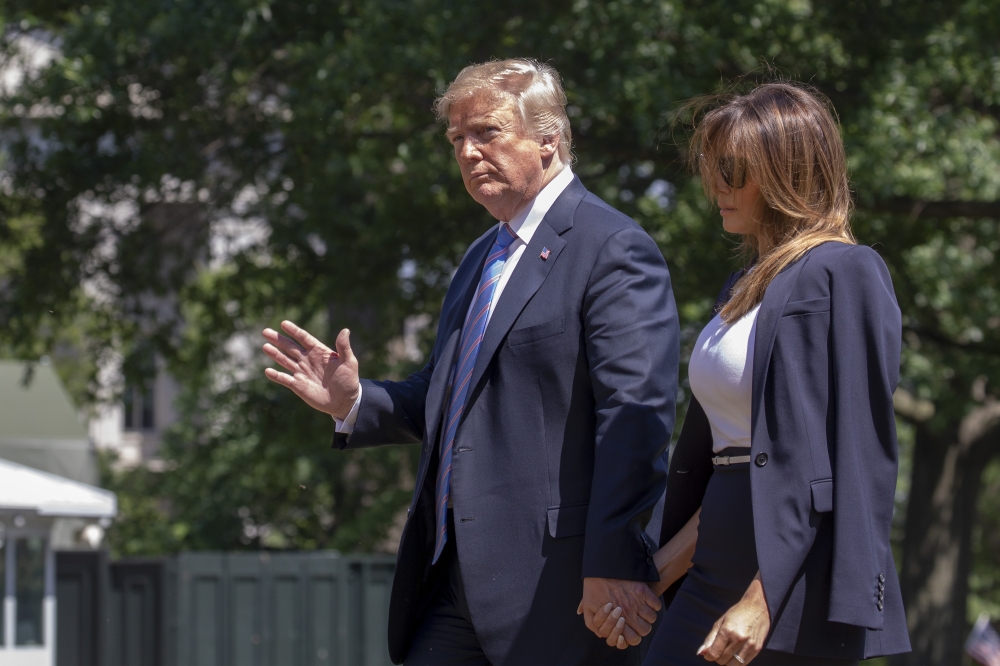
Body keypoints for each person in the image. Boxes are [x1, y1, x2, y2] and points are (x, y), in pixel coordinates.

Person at [261, 58, 678, 664]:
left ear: (548, 139)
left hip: (560, 583)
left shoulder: (613, 248)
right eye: (457, 139)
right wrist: (354, 401)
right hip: (453, 577)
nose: (468, 152)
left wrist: (614, 561)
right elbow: (451, 397)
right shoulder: (483, 254)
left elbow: (635, 417)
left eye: (487, 132)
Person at [589, 82, 912, 664]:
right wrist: (651, 575)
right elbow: (735, 467)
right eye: (713, 168)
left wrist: (764, 601)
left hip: (790, 586)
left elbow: (854, 460)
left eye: (735, 170)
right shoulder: (744, 287)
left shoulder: (847, 271)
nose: (717, 187)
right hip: (714, 563)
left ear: (789, 170)